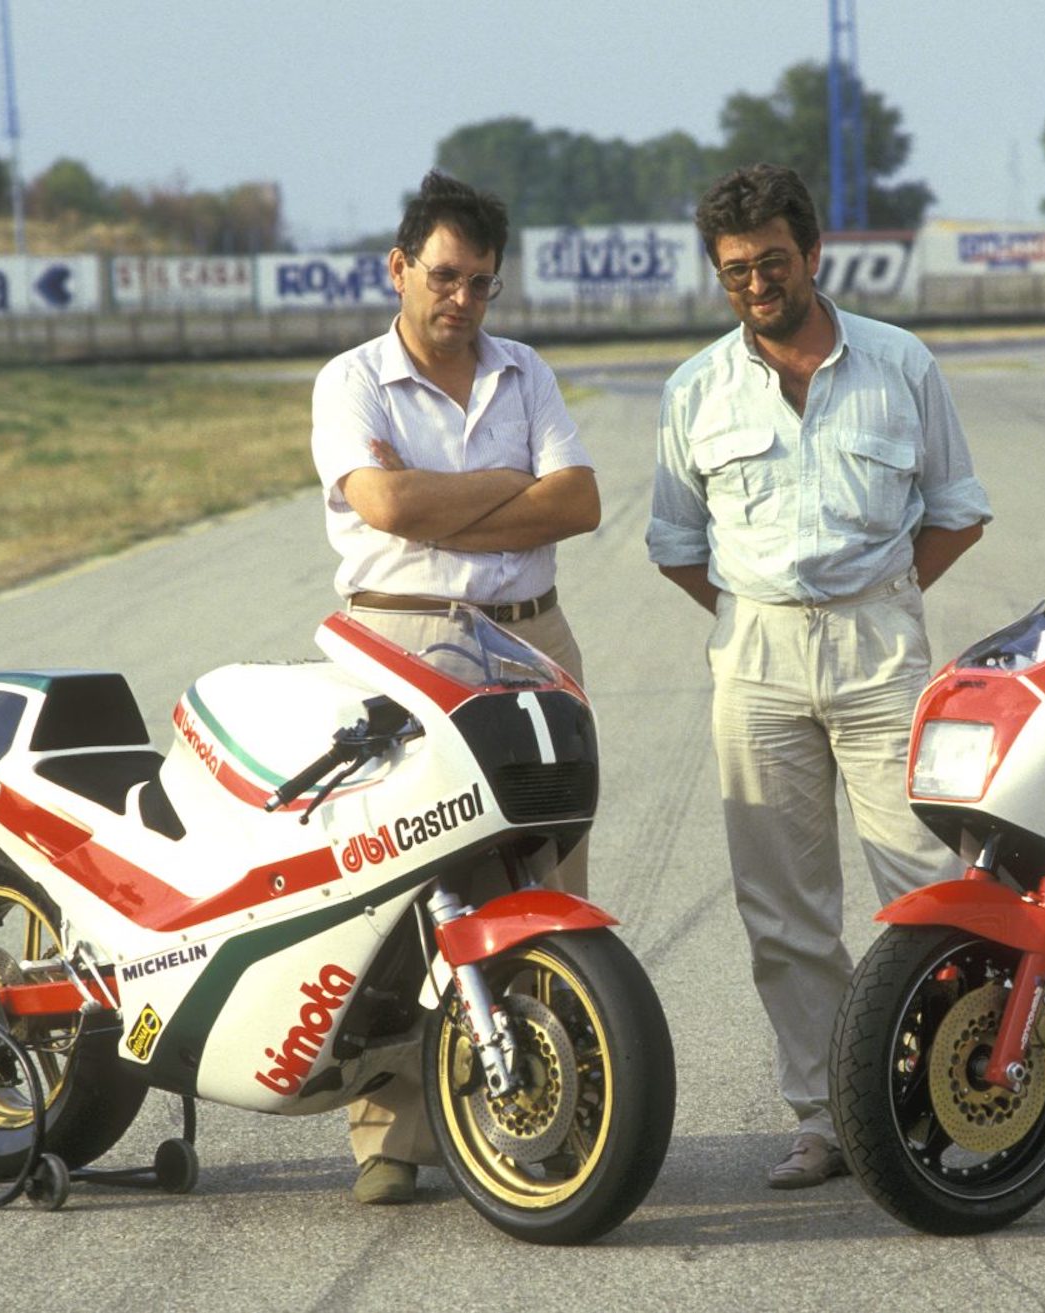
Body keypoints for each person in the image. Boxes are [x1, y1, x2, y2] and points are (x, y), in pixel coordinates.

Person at [647, 163, 991, 1189]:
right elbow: (674, 540)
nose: (757, 283)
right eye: (736, 269)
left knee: (927, 882)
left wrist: (881, 596)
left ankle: (960, 1102)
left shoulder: (897, 363)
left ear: (813, 253)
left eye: (773, 262)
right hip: (752, 654)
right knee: (782, 906)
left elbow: (956, 506)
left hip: (878, 646)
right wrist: (755, 618)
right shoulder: (694, 389)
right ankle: (826, 1114)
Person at [310, 170, 600, 1205]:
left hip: (532, 641)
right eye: (443, 276)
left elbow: (579, 501)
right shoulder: (350, 381)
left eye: (480, 282)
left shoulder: (525, 374)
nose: (461, 300)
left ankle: (555, 1116)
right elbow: (382, 503)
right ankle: (388, 1132)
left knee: (546, 878)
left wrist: (442, 507)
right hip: (404, 644)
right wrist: (502, 493)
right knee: (403, 887)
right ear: (399, 268)